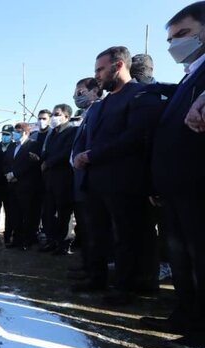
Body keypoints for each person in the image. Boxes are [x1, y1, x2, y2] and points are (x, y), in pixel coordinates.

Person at [73, 46, 162, 305]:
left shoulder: (141, 94)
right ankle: (96, 277)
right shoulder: (103, 103)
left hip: (123, 182)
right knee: (97, 232)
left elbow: (134, 137)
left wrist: (91, 155)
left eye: (100, 69)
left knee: (125, 237)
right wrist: (82, 156)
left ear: (119, 65)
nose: (97, 76)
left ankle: (125, 288)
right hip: (96, 182)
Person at [142, 1, 205, 348]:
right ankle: (184, 316)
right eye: (170, 38)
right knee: (182, 258)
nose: (174, 45)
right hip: (175, 187)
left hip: (198, 184)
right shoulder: (190, 75)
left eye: (183, 34)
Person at [68, 78, 104, 282]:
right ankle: (88, 265)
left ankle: (95, 272)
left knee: (95, 228)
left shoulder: (100, 110)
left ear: (95, 91)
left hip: (91, 178)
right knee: (85, 227)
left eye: (80, 92)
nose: (76, 97)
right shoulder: (86, 113)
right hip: (80, 179)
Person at [40, 104, 76, 255]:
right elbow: (46, 151)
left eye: (57, 114)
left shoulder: (72, 131)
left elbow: (66, 152)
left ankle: (63, 243)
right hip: (50, 179)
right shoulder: (53, 133)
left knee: (63, 213)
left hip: (63, 178)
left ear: (66, 116)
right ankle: (52, 241)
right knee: (49, 212)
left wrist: (48, 162)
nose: (53, 117)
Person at [3, 122, 43, 250]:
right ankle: (17, 239)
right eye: (14, 131)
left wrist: (15, 174)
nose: (14, 134)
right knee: (14, 214)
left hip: (26, 186)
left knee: (28, 214)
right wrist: (8, 173)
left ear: (25, 132)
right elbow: (5, 162)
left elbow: (31, 164)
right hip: (12, 186)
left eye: (17, 131)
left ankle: (27, 240)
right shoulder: (11, 146)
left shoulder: (33, 145)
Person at [0, 124, 15, 246]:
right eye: (3, 134)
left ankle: (8, 235)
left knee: (9, 211)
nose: (4, 136)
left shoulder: (15, 147)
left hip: (9, 184)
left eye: (7, 134)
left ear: (12, 135)